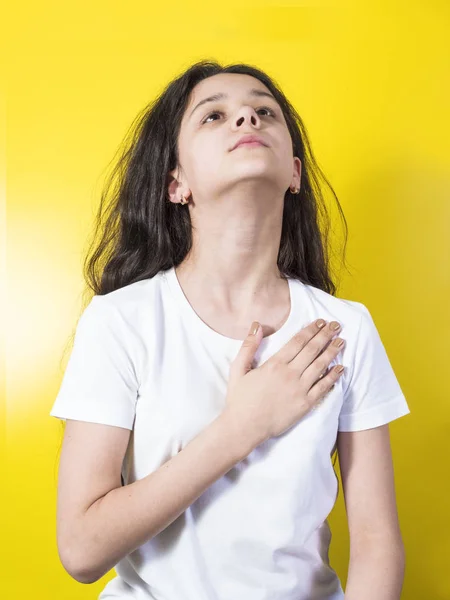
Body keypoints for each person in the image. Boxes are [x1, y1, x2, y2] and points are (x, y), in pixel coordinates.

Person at [50, 59, 410, 600]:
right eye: (213, 116)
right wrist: (242, 426)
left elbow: (378, 539)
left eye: (264, 111)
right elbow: (80, 551)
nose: (246, 119)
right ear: (178, 182)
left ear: (293, 173)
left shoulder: (346, 328)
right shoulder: (121, 320)